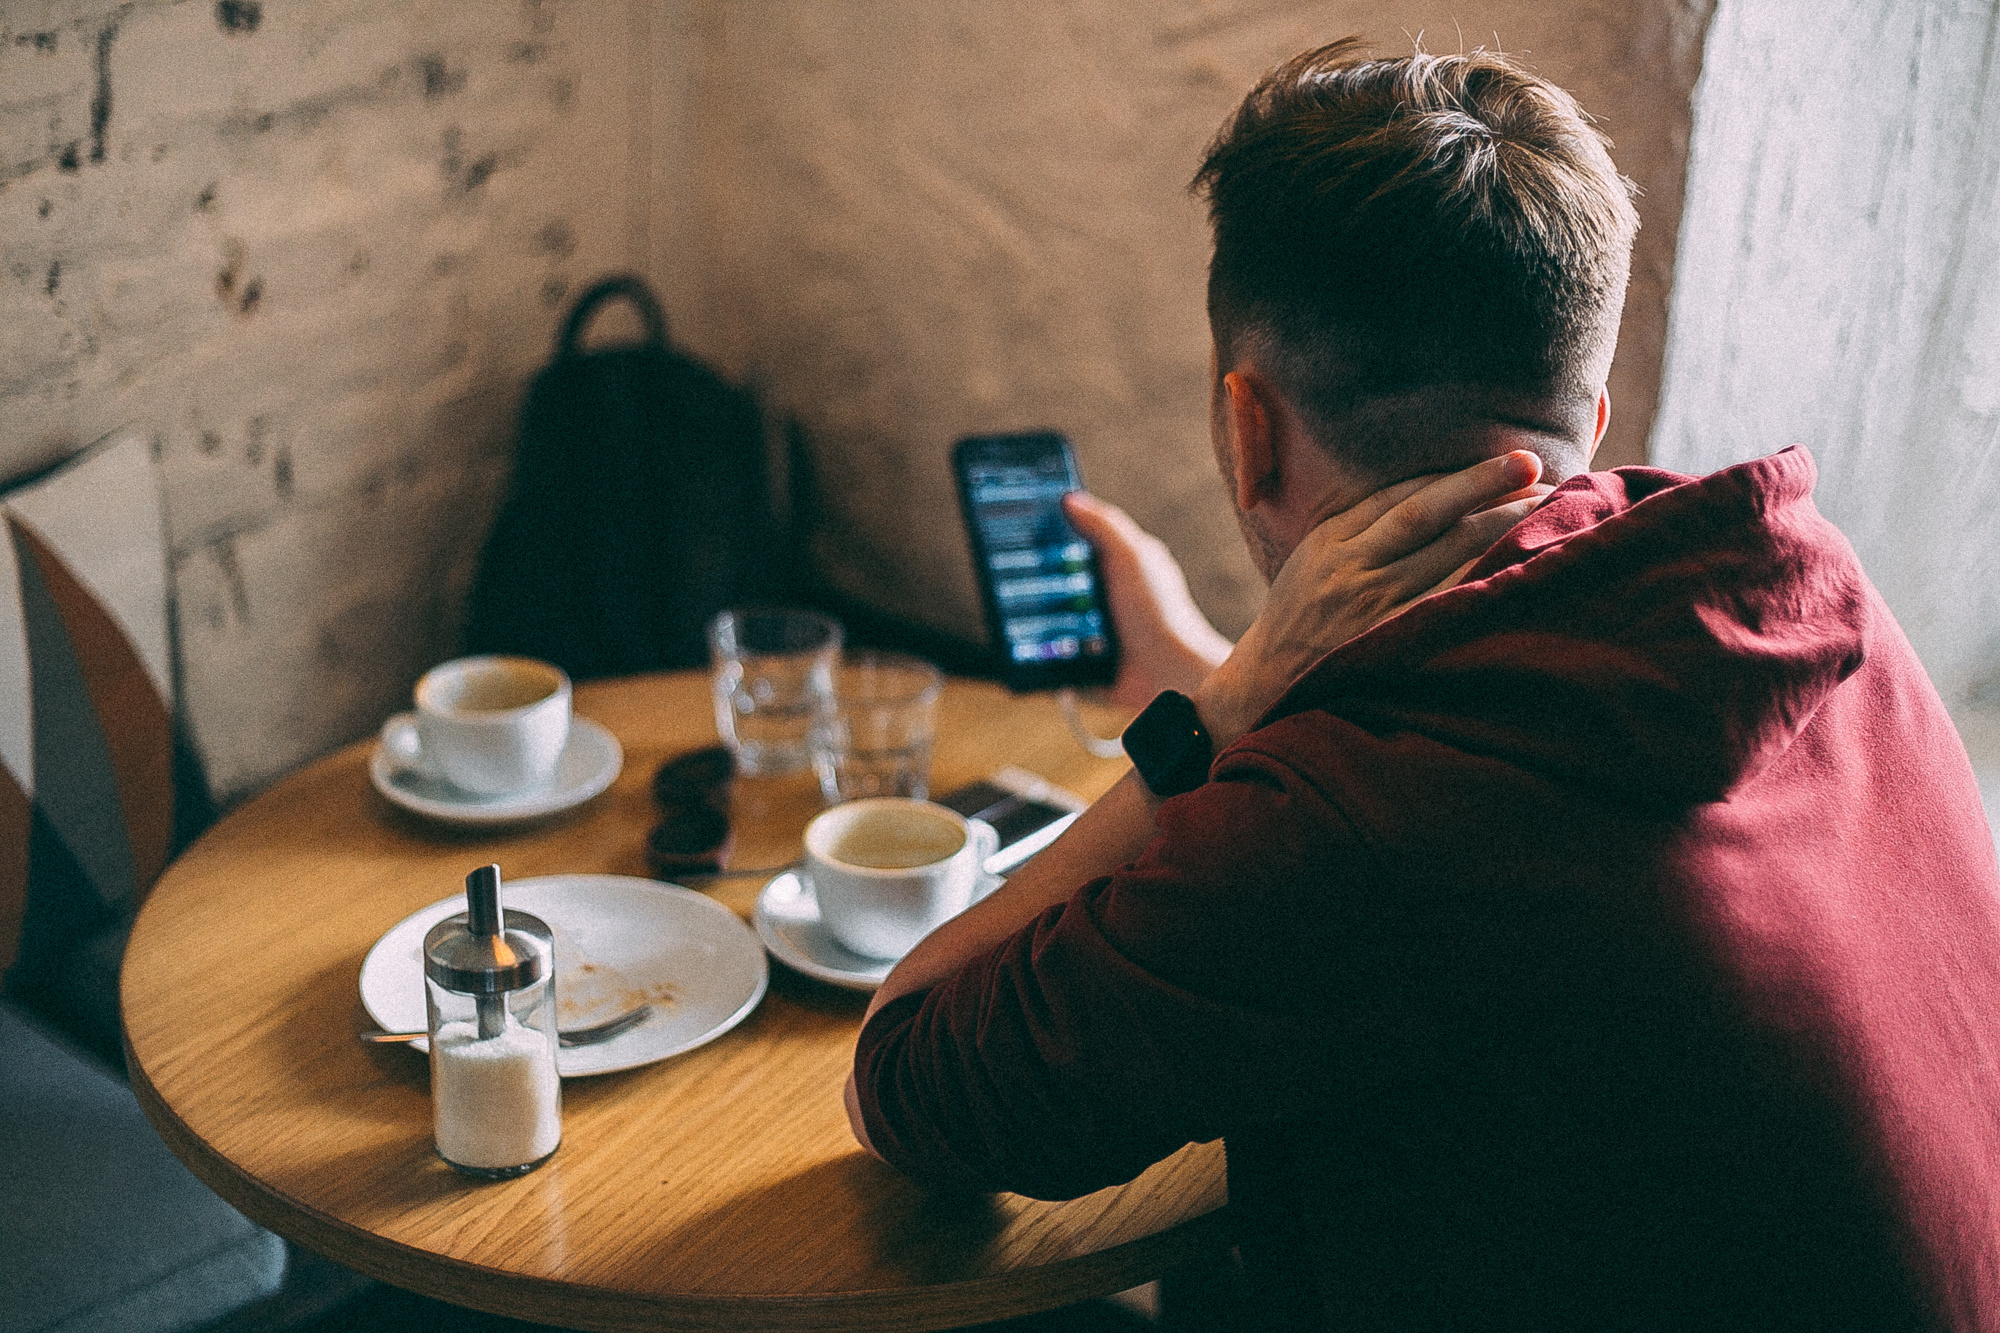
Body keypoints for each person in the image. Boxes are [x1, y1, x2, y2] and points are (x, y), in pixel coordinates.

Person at [847, 39, 2000, 1331]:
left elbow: (904, 1071)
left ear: (1246, 427)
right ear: (1589, 417)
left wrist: (1224, 705)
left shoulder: (1350, 819)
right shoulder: (1802, 589)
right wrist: (1212, 664)